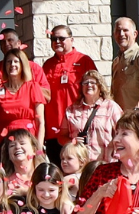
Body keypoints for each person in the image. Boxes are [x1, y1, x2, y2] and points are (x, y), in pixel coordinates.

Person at [40, 25, 98, 158]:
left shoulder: (83, 61)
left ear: (71, 40)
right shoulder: (47, 65)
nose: (57, 42)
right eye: (54, 39)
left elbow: (97, 91)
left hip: (77, 130)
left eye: (61, 38)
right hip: (53, 131)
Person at [0, 48, 47, 136]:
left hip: (28, 139)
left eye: (16, 61)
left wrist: (39, 147)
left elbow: (40, 123)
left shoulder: (33, 87)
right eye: (9, 62)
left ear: (23, 64)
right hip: (5, 140)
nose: (12, 64)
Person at [63, 70, 122, 164]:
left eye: (93, 82)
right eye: (85, 83)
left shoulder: (111, 107)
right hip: (81, 167)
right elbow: (61, 137)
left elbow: (123, 133)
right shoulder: (71, 110)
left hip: (105, 164)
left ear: (100, 86)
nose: (89, 85)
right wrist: (72, 141)